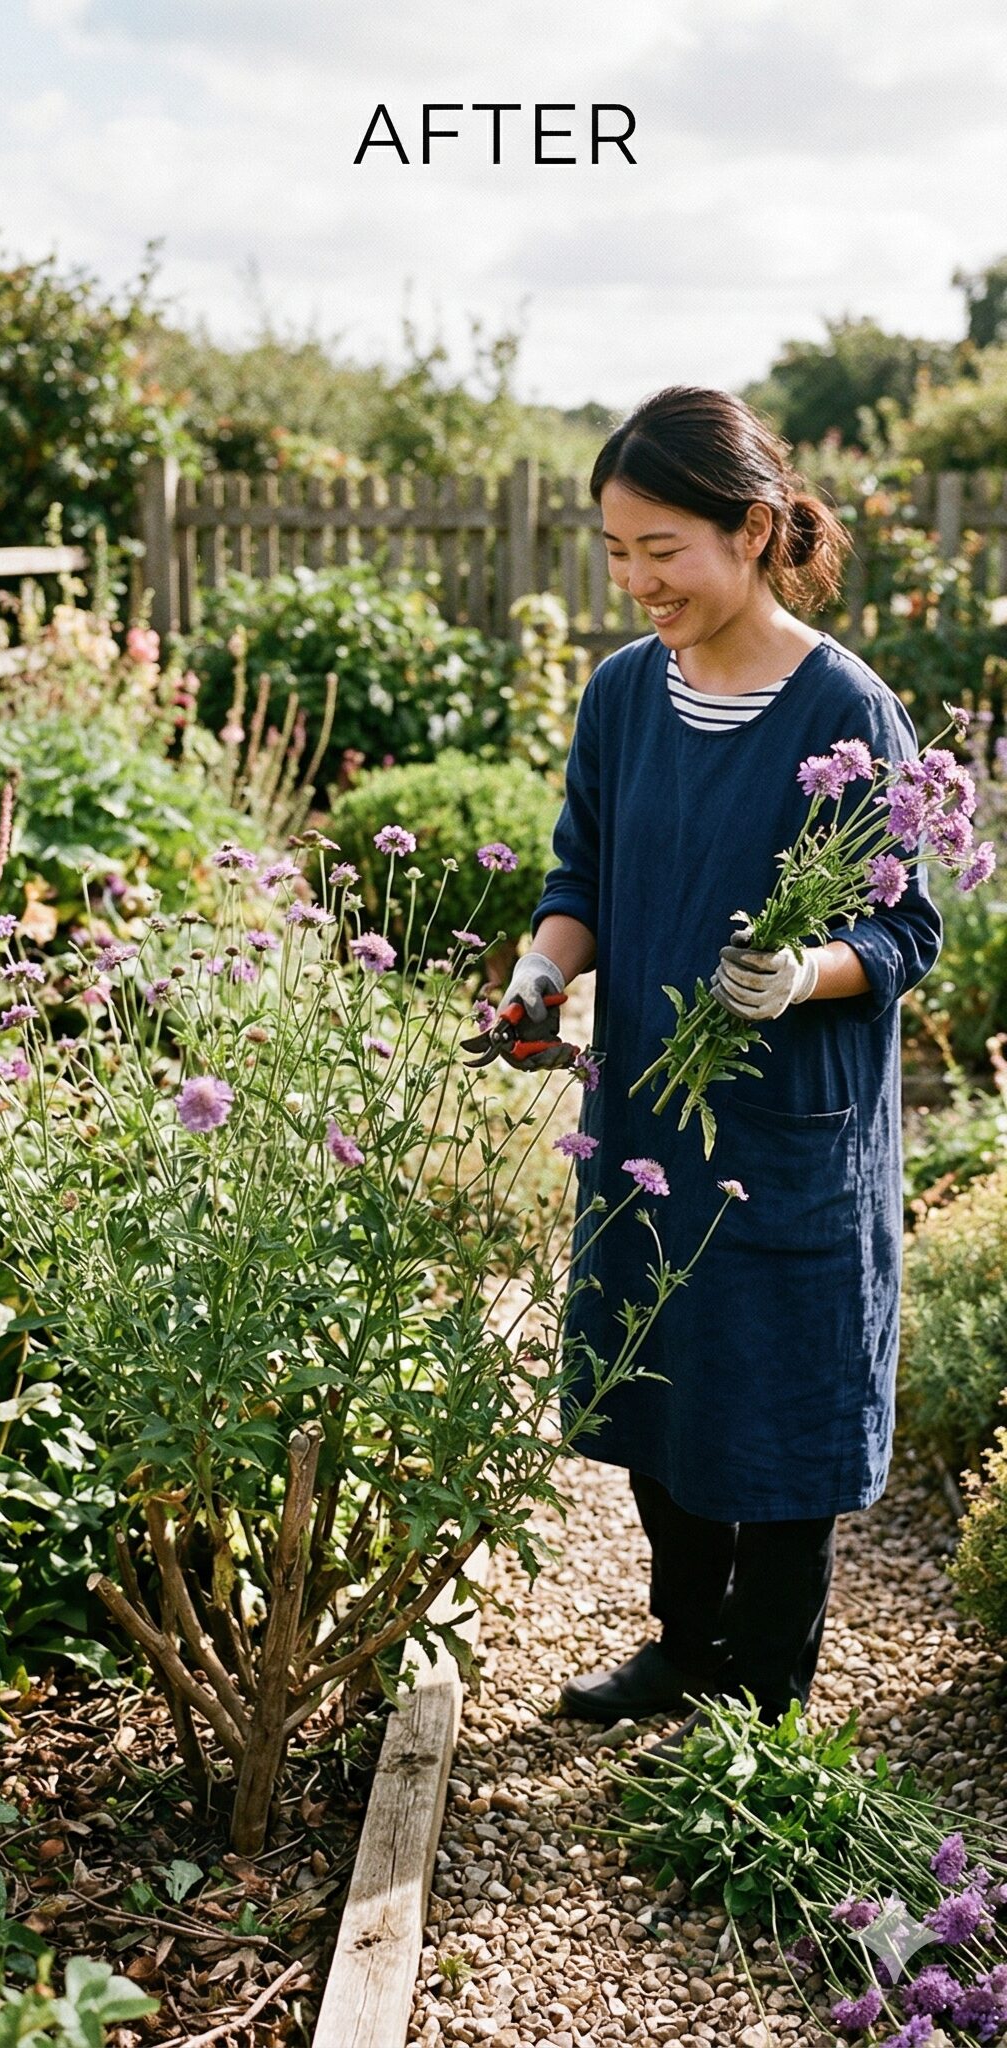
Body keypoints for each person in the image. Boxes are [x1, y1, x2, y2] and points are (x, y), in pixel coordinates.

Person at [501, 385, 943, 1744]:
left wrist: (805, 972)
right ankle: (683, 1647)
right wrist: (540, 974)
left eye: (663, 551)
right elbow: (579, 878)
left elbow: (906, 929)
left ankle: (764, 1710)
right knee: (659, 1376)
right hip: (651, 1110)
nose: (638, 582)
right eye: (617, 553)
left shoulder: (848, 711)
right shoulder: (624, 695)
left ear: (752, 531)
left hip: (791, 1124)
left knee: (786, 1404)